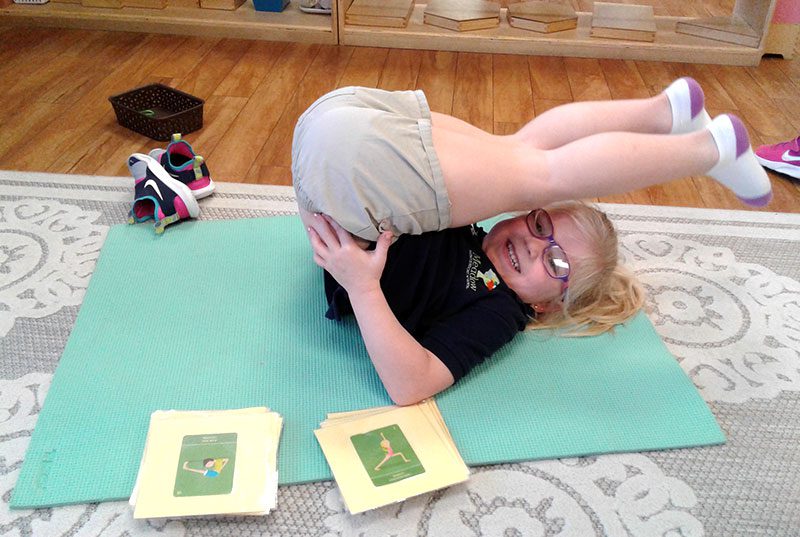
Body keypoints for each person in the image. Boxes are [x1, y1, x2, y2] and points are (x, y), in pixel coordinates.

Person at [291, 78, 772, 406]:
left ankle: (684, 125)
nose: (534, 244)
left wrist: (362, 287)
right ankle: (683, 128)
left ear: (544, 306)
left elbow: (410, 384)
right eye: (541, 225)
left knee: (529, 162)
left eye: (557, 262)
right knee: (525, 158)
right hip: (346, 148)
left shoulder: (500, 311)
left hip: (336, 151)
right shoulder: (473, 227)